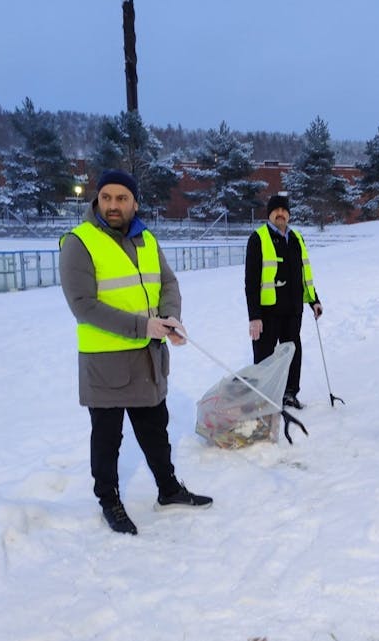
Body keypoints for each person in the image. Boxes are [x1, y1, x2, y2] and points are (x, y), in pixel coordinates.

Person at [60, 168, 212, 535]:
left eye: (121, 198)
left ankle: (168, 489)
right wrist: (144, 327)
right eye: (106, 198)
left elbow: (168, 283)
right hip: (106, 364)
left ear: (135, 203)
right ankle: (108, 500)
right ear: (97, 200)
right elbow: (83, 306)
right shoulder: (79, 242)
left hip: (147, 359)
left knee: (155, 430)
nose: (113, 205)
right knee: (107, 439)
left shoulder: (146, 239)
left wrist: (170, 317)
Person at [244, 194, 323, 410]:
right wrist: (254, 317)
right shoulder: (258, 238)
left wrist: (314, 300)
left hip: (293, 310)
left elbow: (304, 274)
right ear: (269, 214)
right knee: (264, 358)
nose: (281, 214)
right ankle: (264, 400)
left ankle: (289, 393)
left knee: (292, 354)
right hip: (268, 312)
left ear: (288, 214)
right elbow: (251, 282)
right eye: (276, 210)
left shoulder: (296, 238)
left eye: (284, 210)